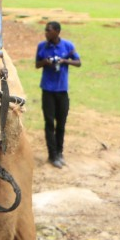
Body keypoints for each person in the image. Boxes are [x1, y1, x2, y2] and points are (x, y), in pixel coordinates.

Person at [35, 20, 81, 168]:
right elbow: (37, 64)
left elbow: (78, 62)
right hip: (47, 90)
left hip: (62, 90)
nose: (46, 33)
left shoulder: (68, 46)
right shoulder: (42, 46)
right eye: (46, 30)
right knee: (49, 123)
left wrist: (64, 61)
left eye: (48, 30)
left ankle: (60, 152)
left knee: (61, 123)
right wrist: (45, 62)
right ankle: (52, 155)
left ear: (57, 32)